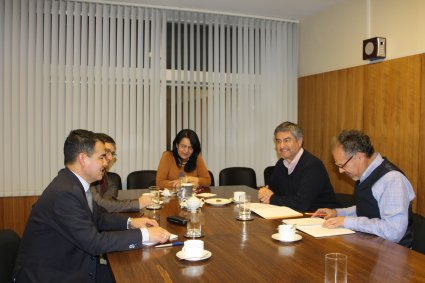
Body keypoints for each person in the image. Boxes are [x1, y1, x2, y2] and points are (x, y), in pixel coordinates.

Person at [13, 129, 171, 282]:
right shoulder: (65, 193)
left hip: (73, 264)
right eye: (101, 157)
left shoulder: (75, 184)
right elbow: (95, 243)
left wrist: (131, 222)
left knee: (134, 275)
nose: (106, 161)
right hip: (54, 274)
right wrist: (146, 235)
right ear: (83, 159)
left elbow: (98, 219)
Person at [313, 130, 415, 247]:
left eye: (342, 165)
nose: (340, 171)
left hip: (394, 253)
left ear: (359, 157)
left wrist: (347, 221)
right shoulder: (366, 174)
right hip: (372, 245)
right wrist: (337, 213)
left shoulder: (392, 179)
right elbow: (368, 208)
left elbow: (393, 231)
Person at [258, 121, 339, 212]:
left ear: (299, 141)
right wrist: (265, 193)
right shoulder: (281, 164)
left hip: (320, 218)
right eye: (278, 141)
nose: (281, 146)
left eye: (287, 140)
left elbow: (301, 204)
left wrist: (271, 198)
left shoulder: (312, 166)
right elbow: (271, 191)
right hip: (294, 216)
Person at [91, 133, 151, 212]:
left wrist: (106, 200)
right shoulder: (89, 172)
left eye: (112, 154)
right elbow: (98, 204)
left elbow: (112, 186)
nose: (110, 158)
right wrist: (138, 203)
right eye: (106, 152)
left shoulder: (102, 168)